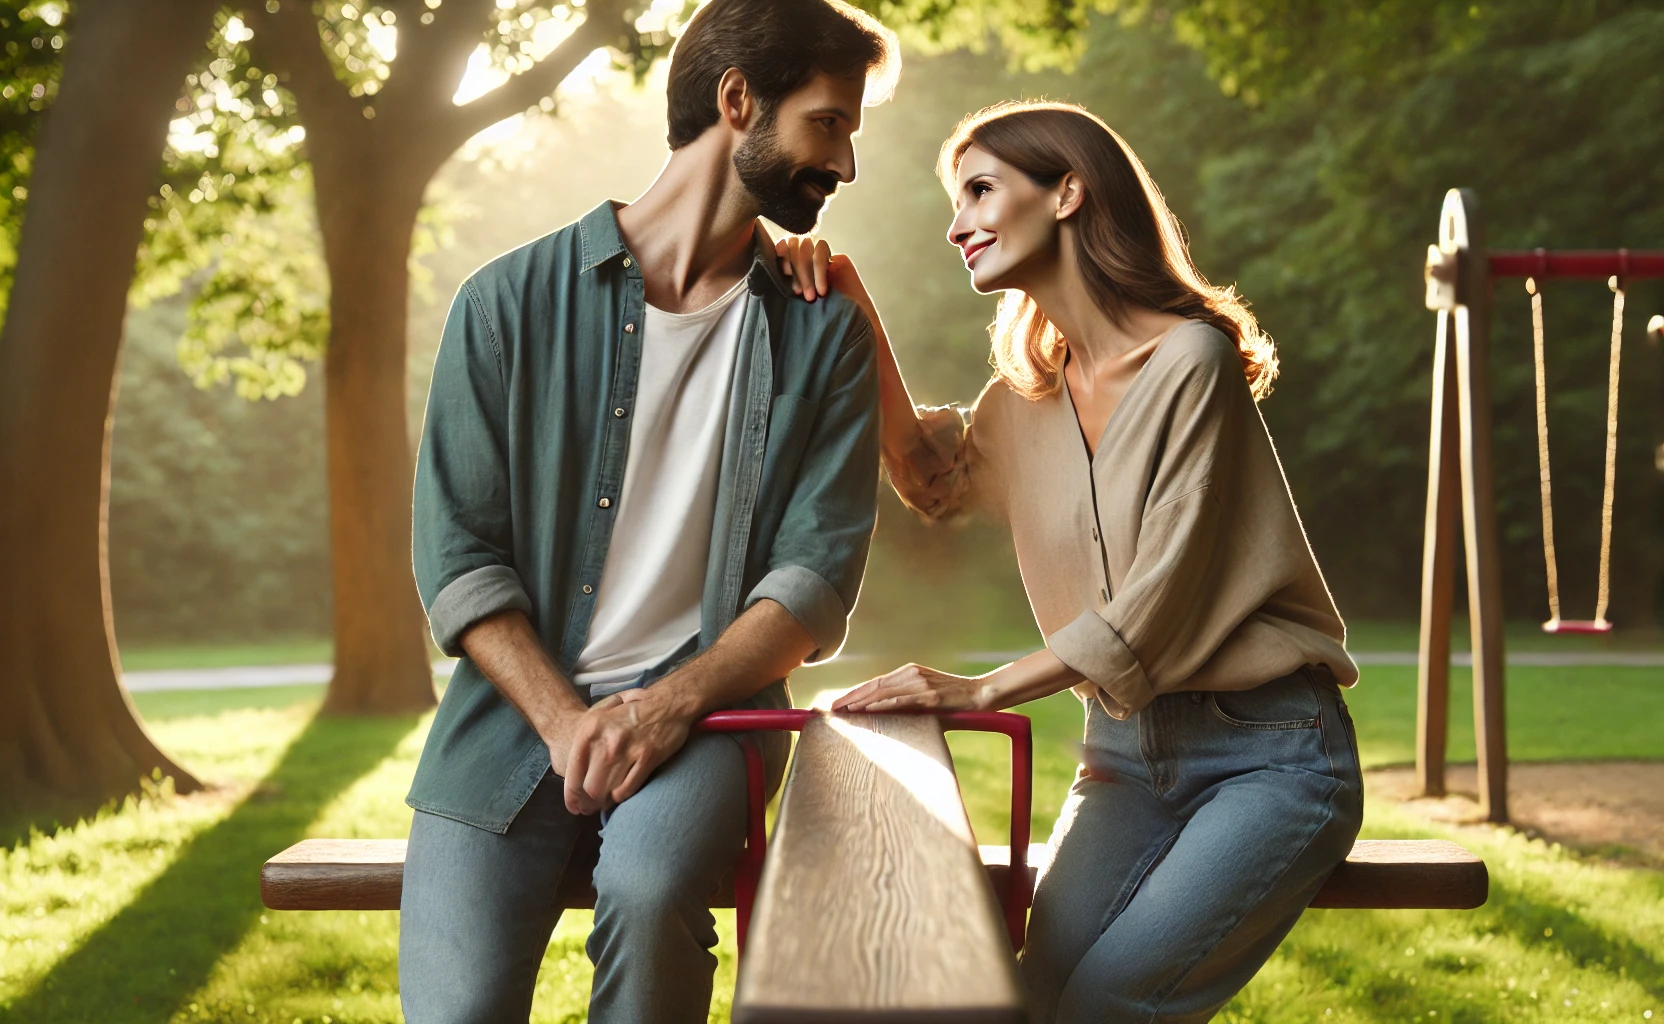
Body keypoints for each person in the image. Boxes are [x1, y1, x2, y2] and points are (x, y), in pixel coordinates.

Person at [782, 100, 1364, 1023]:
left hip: (1273, 757)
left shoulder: (1190, 363)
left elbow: (1157, 602)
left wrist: (980, 691)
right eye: (955, 196)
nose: (957, 221)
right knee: (1022, 996)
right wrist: (852, 306)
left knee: (1110, 1000)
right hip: (1125, 754)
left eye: (980, 190)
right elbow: (932, 483)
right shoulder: (1027, 398)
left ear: (1067, 193)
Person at [399, 2, 897, 1020]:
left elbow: (814, 578)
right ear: (736, 99)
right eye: (829, 123)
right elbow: (457, 556)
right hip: (509, 722)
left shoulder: (822, 331)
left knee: (650, 887)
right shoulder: (504, 303)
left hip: (712, 717)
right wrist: (565, 718)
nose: (845, 165)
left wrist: (663, 708)